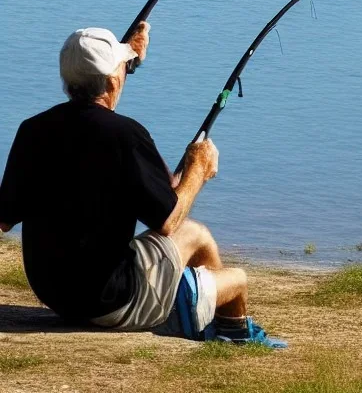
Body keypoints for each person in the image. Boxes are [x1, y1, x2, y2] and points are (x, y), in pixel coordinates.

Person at [0, 23, 286, 348]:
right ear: (111, 81)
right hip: (109, 301)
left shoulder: (33, 130)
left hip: (55, 292)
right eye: (122, 68)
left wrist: (131, 53)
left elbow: (6, 219)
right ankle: (222, 326)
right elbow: (167, 222)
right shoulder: (126, 136)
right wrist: (198, 169)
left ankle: (204, 314)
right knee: (237, 280)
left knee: (197, 235)